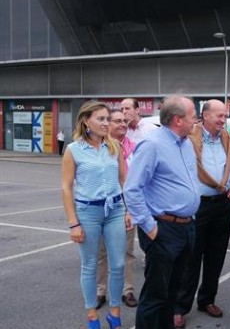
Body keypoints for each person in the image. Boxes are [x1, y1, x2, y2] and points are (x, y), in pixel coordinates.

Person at [124, 96, 201, 329]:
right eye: (193, 116)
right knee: (155, 295)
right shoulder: (152, 144)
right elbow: (131, 189)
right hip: (163, 229)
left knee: (172, 293)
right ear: (178, 120)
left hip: (186, 227)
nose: (195, 121)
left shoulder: (186, 143)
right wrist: (150, 227)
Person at [174, 99, 230, 326]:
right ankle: (180, 307)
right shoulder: (187, 139)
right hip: (198, 205)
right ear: (205, 116)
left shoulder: (228, 138)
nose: (223, 120)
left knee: (216, 256)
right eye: (219, 116)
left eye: (225, 116)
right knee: (191, 258)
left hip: (223, 204)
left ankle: (207, 300)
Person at [61, 101, 127, 329]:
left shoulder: (115, 146)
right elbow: (66, 187)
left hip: (115, 210)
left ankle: (115, 313)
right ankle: (92, 316)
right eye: (101, 119)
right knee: (89, 265)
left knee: (118, 264)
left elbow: (123, 180)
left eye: (107, 119)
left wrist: (128, 210)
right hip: (87, 212)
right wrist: (73, 223)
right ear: (86, 121)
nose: (106, 123)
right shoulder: (73, 150)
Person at [96, 110, 138, 310]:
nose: (123, 124)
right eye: (118, 121)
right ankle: (100, 291)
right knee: (101, 253)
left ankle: (126, 290)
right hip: (100, 208)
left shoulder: (133, 148)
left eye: (124, 121)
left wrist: (130, 209)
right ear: (107, 124)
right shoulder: (97, 147)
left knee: (126, 252)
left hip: (126, 207)